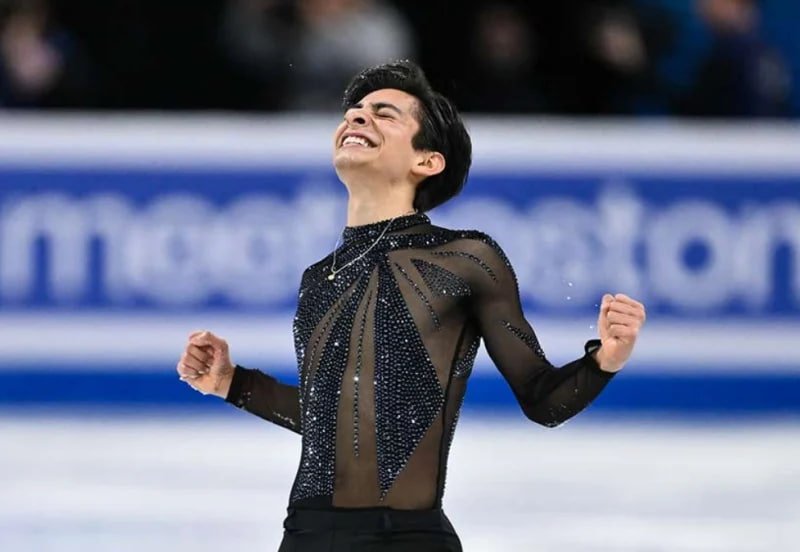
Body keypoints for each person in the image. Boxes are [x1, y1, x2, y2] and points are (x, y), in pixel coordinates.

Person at [176, 60, 646, 551]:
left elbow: (543, 399)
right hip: (307, 535)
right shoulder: (318, 278)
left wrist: (605, 359)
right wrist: (232, 383)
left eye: (384, 114)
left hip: (406, 539)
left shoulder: (466, 259)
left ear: (427, 161)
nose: (357, 118)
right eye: (354, 111)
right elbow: (331, 420)